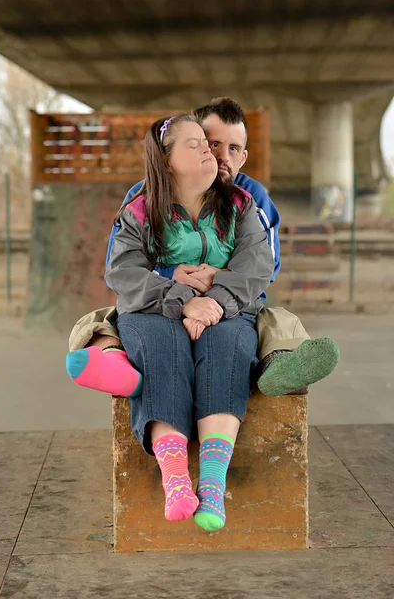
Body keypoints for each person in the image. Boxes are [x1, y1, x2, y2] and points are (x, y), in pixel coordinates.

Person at [66, 97, 339, 398]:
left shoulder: (249, 198)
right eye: (211, 143)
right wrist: (177, 281)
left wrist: (217, 279)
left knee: (278, 321)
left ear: (244, 156)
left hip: (233, 300)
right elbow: (122, 268)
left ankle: (278, 369)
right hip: (163, 300)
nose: (221, 156)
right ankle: (114, 363)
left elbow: (265, 266)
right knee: (101, 319)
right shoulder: (145, 196)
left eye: (233, 148)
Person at [105, 112, 275, 531]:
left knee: (229, 345)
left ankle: (213, 486)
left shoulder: (240, 204)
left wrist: (215, 299)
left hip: (226, 309)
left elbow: (258, 266)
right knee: (164, 347)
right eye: (196, 143)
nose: (210, 151)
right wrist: (182, 300)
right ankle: (177, 478)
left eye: (211, 143)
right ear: (166, 161)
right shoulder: (140, 208)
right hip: (155, 309)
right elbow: (122, 272)